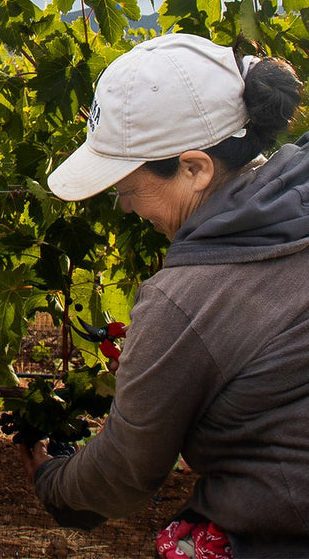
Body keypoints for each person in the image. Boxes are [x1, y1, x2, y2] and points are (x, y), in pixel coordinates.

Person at [23, 33, 309, 558]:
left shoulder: (184, 301)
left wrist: (53, 482)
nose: (127, 209)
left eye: (128, 190)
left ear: (195, 168)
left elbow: (126, 471)